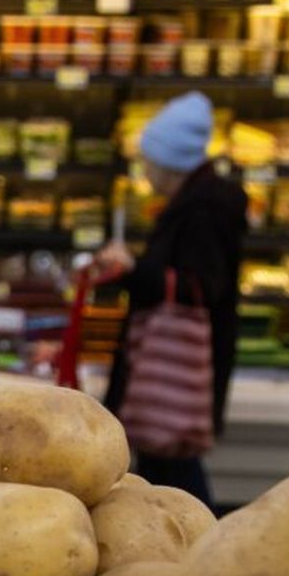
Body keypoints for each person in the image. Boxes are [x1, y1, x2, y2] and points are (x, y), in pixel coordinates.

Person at [98, 91, 248, 507]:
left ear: (169, 161)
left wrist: (132, 268)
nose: (145, 170)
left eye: (148, 160)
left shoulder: (203, 210)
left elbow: (197, 288)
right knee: (164, 473)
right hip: (176, 371)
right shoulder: (197, 202)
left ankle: (198, 539)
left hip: (176, 372)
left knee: (176, 474)